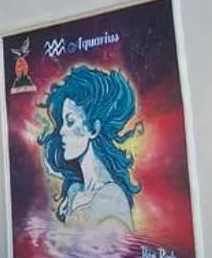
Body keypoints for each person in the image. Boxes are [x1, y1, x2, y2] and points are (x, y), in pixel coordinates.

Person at [40, 64, 140, 227]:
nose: (61, 131)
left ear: (94, 129)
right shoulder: (75, 192)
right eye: (63, 123)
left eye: (70, 122)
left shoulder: (111, 199)